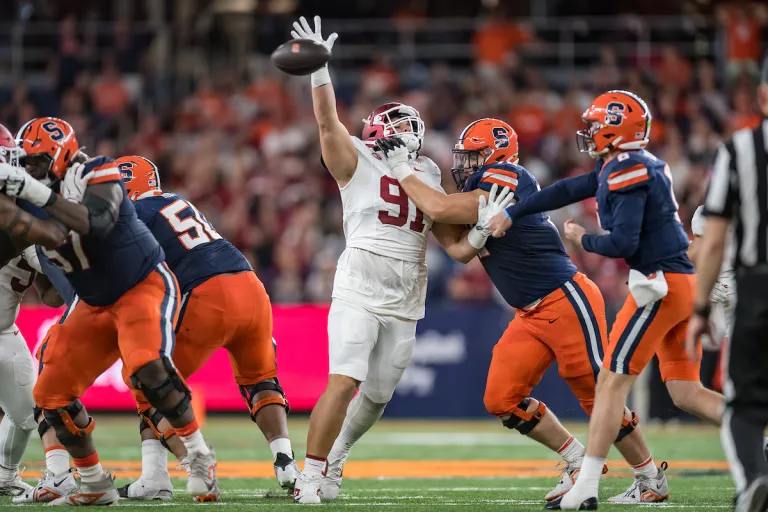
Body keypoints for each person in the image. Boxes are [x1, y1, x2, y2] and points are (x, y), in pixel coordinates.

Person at [382, 117, 668, 504]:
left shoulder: (508, 175)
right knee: (501, 398)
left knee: (597, 395)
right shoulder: (476, 194)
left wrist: (403, 171)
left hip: (565, 298)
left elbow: (438, 206)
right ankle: (576, 459)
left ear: (494, 153)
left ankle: (649, 478)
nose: (465, 164)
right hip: (529, 314)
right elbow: (455, 246)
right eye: (463, 157)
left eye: (473, 156)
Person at [287, 16, 507, 504]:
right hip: (362, 279)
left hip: (410, 288)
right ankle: (311, 474)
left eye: (414, 126)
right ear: (377, 131)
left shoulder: (426, 169)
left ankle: (337, 455)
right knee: (344, 380)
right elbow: (327, 123)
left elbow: (453, 246)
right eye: (401, 125)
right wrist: (319, 70)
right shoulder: (355, 159)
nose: (410, 132)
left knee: (379, 395)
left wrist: (481, 230)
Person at [488, 91, 726, 510]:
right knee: (687, 393)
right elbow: (565, 190)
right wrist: (514, 211)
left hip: (659, 285)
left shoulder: (626, 171)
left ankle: (587, 485)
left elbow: (623, 242)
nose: (591, 134)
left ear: (617, 129)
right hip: (679, 284)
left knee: (610, 383)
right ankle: (751, 438)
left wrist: (583, 239)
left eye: (597, 127)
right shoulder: (630, 164)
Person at [0, 117, 218, 505]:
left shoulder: (98, 169)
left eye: (36, 163)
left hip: (142, 285)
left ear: (61, 155)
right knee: (49, 393)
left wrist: (34, 195)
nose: (28, 170)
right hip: (94, 301)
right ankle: (94, 482)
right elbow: (47, 239)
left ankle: (199, 453)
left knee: (146, 365)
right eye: (25, 163)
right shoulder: (29, 196)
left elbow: (95, 223)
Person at [114, 155, 299, 500]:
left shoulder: (134, 212)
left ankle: (190, 465)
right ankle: (287, 463)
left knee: (147, 379)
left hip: (207, 293)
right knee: (260, 381)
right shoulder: (175, 201)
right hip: (251, 286)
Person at [686, 58, 768, 512]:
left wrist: (698, 310)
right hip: (746, 287)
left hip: (754, 287)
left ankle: (754, 479)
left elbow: (710, 241)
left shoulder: (740, 151)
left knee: (743, 403)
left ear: (762, 96)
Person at [0, 123, 75, 497]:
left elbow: (49, 295)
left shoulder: (22, 209)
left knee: (27, 413)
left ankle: (3, 475)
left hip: (3, 331)